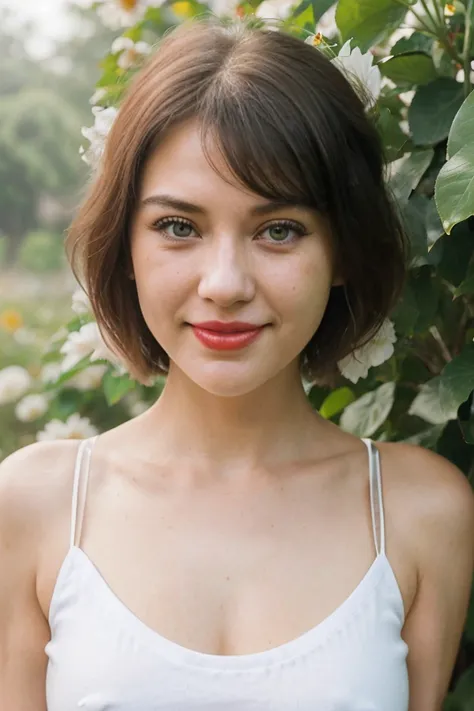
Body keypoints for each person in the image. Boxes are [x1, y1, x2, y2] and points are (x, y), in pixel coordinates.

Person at [1, 16, 473, 711]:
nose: (224, 282)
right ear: (125, 246)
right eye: (178, 227)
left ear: (341, 251)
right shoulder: (36, 504)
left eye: (278, 229)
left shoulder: (420, 511)